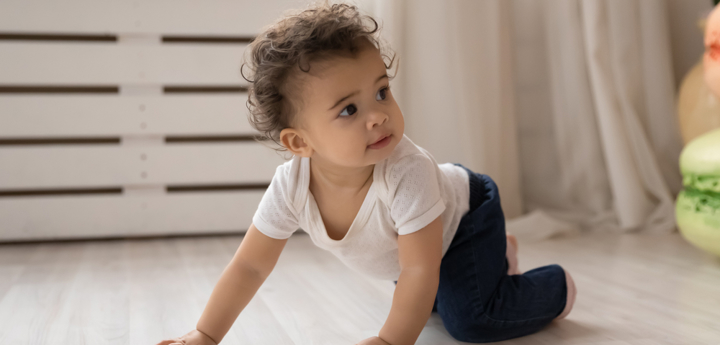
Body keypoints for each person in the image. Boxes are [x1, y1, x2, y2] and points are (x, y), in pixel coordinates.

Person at [156, 2, 576, 344]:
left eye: (382, 91)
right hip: (422, 247)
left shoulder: (406, 171)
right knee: (432, 306)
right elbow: (249, 266)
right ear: (300, 144)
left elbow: (416, 271)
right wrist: (205, 335)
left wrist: (389, 341)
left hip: (467, 218)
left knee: (470, 320)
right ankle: (499, 258)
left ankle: (555, 286)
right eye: (349, 109)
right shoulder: (291, 188)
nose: (378, 116)